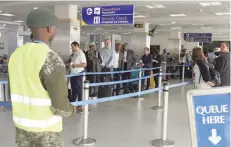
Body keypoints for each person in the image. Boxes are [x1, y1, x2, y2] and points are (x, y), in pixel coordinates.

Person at [8, 9, 75, 147]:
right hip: (45, 131)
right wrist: (72, 109)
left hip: (21, 127)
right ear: (50, 28)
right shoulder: (51, 58)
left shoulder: (15, 55)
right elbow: (60, 108)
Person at [68, 41, 87, 110]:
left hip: (78, 74)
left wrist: (75, 65)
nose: (72, 48)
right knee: (74, 89)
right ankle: (73, 103)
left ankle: (79, 105)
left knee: (78, 89)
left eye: (73, 47)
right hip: (73, 74)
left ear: (77, 46)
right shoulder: (74, 54)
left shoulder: (81, 54)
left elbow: (84, 64)